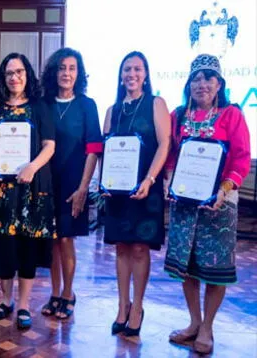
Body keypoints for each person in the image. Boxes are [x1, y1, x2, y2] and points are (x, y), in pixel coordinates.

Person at [164, 54, 251, 354]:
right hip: (185, 203)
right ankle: (194, 322)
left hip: (220, 203)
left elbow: (240, 158)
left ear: (219, 84)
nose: (201, 84)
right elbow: (171, 156)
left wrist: (224, 190)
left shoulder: (232, 115)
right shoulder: (177, 116)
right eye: (196, 78)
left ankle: (208, 327)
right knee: (187, 266)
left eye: (208, 78)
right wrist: (169, 181)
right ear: (189, 83)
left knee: (215, 268)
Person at [0, 53, 55, 330]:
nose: (14, 77)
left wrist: (32, 167)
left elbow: (49, 145)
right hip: (1, 191)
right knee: (4, 246)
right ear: (2, 78)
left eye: (19, 72)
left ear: (27, 74)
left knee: (27, 247)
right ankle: (6, 299)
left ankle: (23, 304)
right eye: (9, 73)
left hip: (31, 188)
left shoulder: (40, 107)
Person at [102, 51, 171, 337]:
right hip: (117, 191)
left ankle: (138, 307)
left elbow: (165, 143)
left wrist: (150, 178)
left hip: (147, 187)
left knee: (140, 248)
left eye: (138, 69)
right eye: (127, 69)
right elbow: (105, 149)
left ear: (146, 74)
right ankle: (122, 305)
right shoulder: (112, 110)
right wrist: (103, 182)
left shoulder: (156, 104)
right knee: (121, 248)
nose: (132, 74)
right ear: (121, 75)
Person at [39, 48, 102, 319]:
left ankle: (68, 293)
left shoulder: (87, 105)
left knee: (66, 239)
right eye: (62, 68)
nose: (67, 73)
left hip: (75, 183)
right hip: (46, 182)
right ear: (54, 72)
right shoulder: (44, 104)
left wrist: (83, 188)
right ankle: (54, 293)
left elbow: (94, 148)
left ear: (79, 73)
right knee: (51, 239)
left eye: (72, 68)